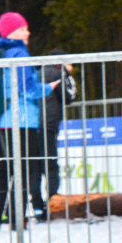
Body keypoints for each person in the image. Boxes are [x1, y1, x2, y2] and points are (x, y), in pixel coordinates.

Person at [0, 13, 59, 229]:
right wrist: (48, 88)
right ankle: (16, 220)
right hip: (19, 120)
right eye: (22, 29)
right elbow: (27, 89)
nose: (27, 32)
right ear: (11, 32)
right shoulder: (18, 54)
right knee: (22, 171)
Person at [35, 50, 76, 220]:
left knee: (34, 166)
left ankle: (37, 207)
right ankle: (52, 202)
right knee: (50, 165)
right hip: (48, 123)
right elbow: (68, 96)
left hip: (31, 124)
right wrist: (67, 74)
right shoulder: (58, 73)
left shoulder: (36, 72)